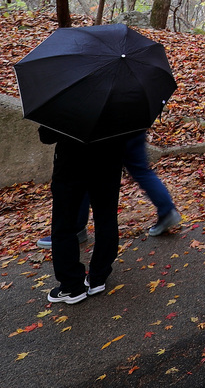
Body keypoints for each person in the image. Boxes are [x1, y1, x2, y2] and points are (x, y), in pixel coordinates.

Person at [37, 130, 181, 249]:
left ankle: (76, 228)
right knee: (140, 169)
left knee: (87, 172)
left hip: (107, 130)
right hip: (132, 120)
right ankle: (166, 209)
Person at [42, 127, 127, 304]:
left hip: (70, 162)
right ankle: (98, 276)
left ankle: (71, 286)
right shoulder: (117, 99)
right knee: (106, 218)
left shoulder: (63, 101)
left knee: (64, 224)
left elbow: (47, 135)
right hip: (109, 157)